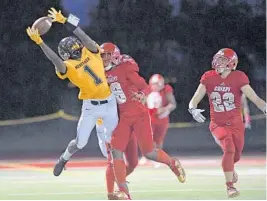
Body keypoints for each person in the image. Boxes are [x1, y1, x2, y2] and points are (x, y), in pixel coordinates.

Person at [26, 8, 118, 176]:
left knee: (112, 146)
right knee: (81, 143)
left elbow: (83, 37)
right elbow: (57, 59)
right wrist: (42, 41)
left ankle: (119, 176)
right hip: (91, 107)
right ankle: (64, 158)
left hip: (109, 103)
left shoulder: (90, 51)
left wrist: (64, 21)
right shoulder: (69, 65)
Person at [101, 42, 186, 200]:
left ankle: (172, 163)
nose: (103, 58)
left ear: (115, 56)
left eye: (106, 55)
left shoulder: (125, 67)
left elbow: (144, 86)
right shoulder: (103, 74)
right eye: (102, 56)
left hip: (139, 115)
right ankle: (124, 192)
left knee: (149, 153)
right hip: (125, 116)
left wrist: (142, 94)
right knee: (116, 151)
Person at [188, 48, 266, 198]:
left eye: (223, 60)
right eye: (218, 59)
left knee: (236, 155)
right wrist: (192, 109)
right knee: (229, 149)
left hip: (236, 124)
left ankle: (230, 168)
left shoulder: (239, 77)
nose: (218, 62)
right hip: (218, 124)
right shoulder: (208, 77)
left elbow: (254, 98)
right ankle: (230, 186)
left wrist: (264, 107)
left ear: (232, 63)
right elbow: (195, 98)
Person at [95, 119, 138, 200]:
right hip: (110, 132)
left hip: (127, 129)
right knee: (112, 162)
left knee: (133, 163)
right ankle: (112, 195)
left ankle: (118, 181)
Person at [140, 74, 176, 168]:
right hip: (150, 117)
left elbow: (172, 104)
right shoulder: (147, 90)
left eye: (159, 84)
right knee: (148, 138)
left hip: (162, 118)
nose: (157, 86)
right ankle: (146, 156)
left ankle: (158, 158)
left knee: (159, 140)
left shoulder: (166, 89)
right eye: (155, 84)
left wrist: (163, 110)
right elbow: (141, 103)